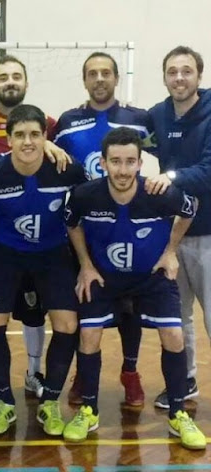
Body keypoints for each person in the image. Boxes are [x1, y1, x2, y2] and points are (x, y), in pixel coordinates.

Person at [63, 126, 205, 450]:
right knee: (88, 335)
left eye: (130, 162)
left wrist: (170, 251)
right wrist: (85, 264)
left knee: (174, 335)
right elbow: (71, 223)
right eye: (115, 161)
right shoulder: (85, 195)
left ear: (140, 164)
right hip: (105, 279)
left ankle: (179, 414)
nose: (123, 170)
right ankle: (89, 408)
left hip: (150, 279)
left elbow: (189, 208)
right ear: (103, 162)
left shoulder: (157, 193)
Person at [0, 104, 86, 437]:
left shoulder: (66, 169)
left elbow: (93, 203)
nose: (27, 142)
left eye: (35, 134)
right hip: (3, 254)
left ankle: (50, 401)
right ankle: (4, 402)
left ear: (46, 137)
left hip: (51, 253)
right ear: (7, 139)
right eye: (20, 135)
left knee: (67, 323)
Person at [54, 52, 154, 407]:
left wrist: (165, 183)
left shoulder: (139, 120)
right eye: (93, 73)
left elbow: (169, 151)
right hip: (85, 233)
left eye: (106, 73)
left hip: (127, 230)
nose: (100, 79)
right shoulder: (67, 122)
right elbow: (48, 151)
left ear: (115, 78)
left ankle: (130, 373)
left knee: (130, 307)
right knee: (86, 305)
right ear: (84, 80)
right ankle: (85, 373)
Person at [0, 54, 60, 402]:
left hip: (41, 232)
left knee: (35, 309)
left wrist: (48, 142)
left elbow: (60, 162)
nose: (10, 82)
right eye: (3, 76)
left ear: (26, 82)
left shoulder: (49, 123)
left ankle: (34, 371)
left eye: (16, 76)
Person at [145, 45, 211, 410]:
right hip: (172, 236)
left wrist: (168, 177)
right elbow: (125, 142)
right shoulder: (158, 114)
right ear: (165, 76)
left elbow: (208, 171)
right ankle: (184, 382)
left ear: (198, 75)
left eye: (186, 71)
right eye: (173, 72)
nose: (179, 78)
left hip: (209, 233)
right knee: (178, 315)